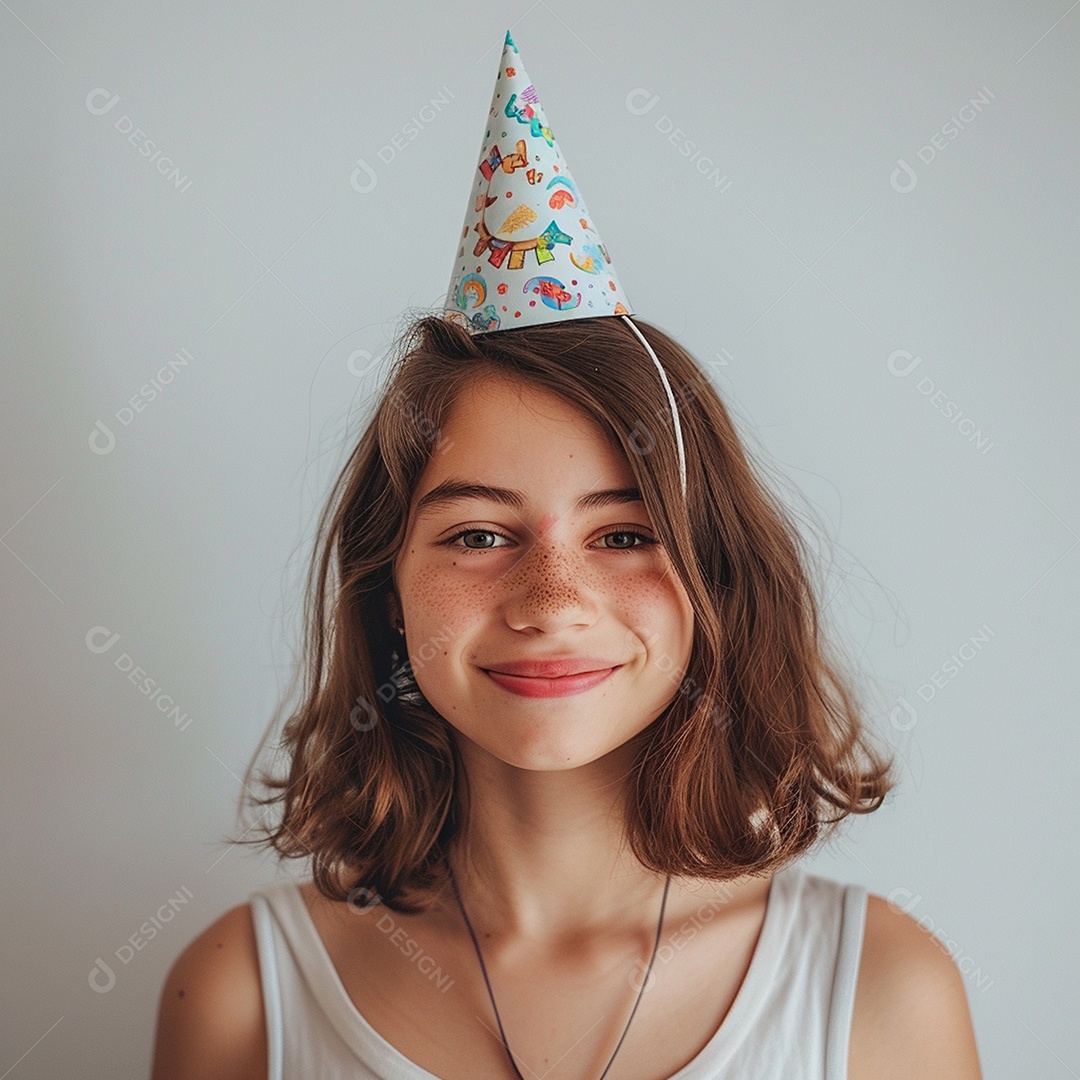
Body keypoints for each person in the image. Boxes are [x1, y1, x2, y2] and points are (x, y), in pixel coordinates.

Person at [150, 31, 982, 1080]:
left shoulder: (879, 995)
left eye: (626, 534)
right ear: (387, 587)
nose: (553, 600)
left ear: (715, 578)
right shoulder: (244, 996)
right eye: (481, 535)